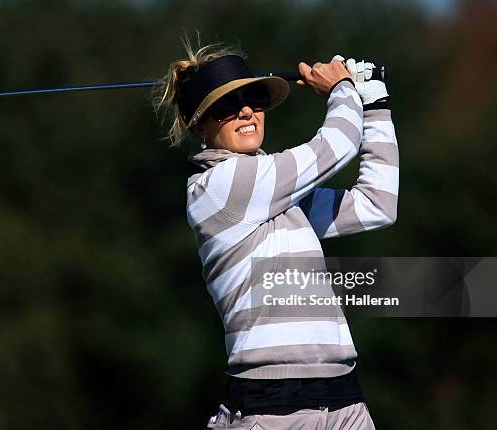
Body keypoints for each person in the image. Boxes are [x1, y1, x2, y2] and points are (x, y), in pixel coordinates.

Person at [153, 40, 398, 430]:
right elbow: (336, 145)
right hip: (272, 410)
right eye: (227, 106)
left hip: (345, 401)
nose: (247, 111)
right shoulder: (220, 186)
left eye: (254, 99)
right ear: (200, 125)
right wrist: (342, 89)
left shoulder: (279, 195)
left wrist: (376, 107)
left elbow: (377, 204)